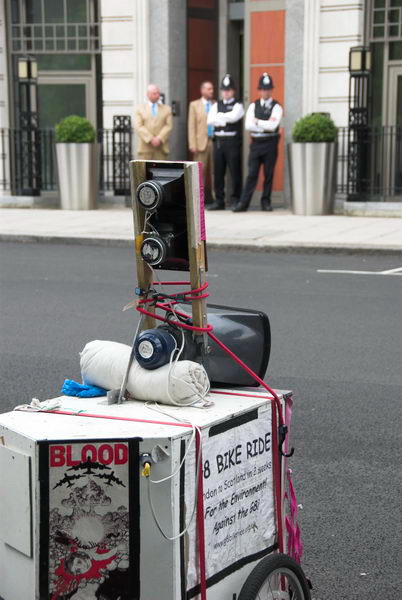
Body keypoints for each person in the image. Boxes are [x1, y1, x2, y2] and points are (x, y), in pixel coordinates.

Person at [233, 73, 283, 212]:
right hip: (256, 143)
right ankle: (244, 203)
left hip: (270, 142)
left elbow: (273, 126)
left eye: (267, 89)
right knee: (252, 174)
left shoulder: (276, 106)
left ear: (271, 90)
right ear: (259, 90)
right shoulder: (253, 105)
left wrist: (258, 121)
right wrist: (264, 124)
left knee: (269, 174)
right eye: (263, 89)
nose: (265, 91)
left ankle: (265, 202)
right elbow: (248, 125)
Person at [207, 74, 244, 210]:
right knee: (218, 172)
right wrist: (224, 118)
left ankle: (236, 199)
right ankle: (219, 200)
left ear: (233, 91)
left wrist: (220, 117)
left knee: (234, 171)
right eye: (224, 90)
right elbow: (210, 120)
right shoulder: (216, 104)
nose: (226, 92)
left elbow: (234, 117)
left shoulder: (238, 105)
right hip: (218, 141)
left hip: (232, 141)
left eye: (228, 90)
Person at [188, 81, 215, 202]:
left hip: (214, 141)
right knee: (199, 173)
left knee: (216, 172)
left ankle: (217, 198)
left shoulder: (216, 104)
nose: (211, 91)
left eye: (212, 89)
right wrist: (192, 144)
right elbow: (191, 126)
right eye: (209, 89)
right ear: (202, 90)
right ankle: (199, 200)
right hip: (200, 144)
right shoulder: (194, 105)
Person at [134, 84, 172, 160]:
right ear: (148, 95)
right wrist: (151, 139)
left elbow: (169, 126)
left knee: (161, 171)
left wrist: (159, 138)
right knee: (144, 171)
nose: (157, 95)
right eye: (154, 93)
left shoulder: (167, 109)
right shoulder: (140, 109)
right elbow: (138, 126)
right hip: (145, 149)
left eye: (158, 93)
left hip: (161, 149)